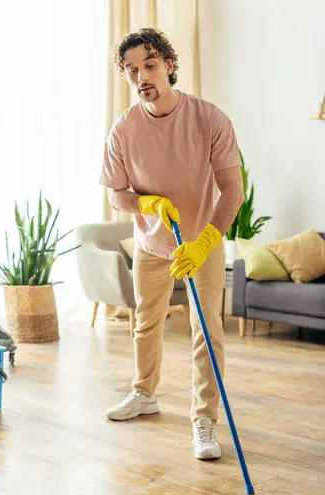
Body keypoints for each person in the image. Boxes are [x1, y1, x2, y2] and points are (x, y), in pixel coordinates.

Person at [99, 28, 244, 460]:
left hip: (201, 241)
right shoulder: (123, 129)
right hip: (149, 244)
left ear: (169, 65)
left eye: (149, 65)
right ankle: (144, 393)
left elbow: (232, 192)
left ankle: (204, 419)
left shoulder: (210, 119)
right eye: (131, 70)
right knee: (145, 323)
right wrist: (147, 203)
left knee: (207, 331)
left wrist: (202, 245)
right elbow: (116, 194)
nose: (141, 76)